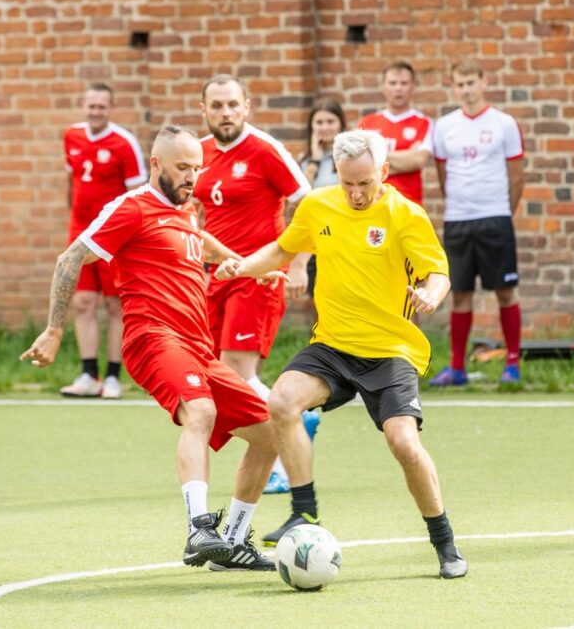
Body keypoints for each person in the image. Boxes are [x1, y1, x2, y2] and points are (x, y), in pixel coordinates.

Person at [21, 125, 280, 572]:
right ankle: (200, 528)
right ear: (156, 164)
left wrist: (240, 265)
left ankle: (232, 543)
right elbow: (69, 259)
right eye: (182, 168)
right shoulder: (131, 208)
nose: (191, 178)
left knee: (271, 432)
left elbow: (201, 241)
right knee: (200, 412)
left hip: (198, 346)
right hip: (153, 337)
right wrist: (53, 330)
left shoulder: (187, 211)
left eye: (196, 169)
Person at [218, 129, 468, 579]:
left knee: (404, 444)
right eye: (348, 182)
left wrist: (430, 295)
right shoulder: (317, 206)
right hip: (332, 346)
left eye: (365, 183)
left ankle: (445, 543)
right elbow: (282, 249)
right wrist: (243, 265)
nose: (355, 193)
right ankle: (305, 511)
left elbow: (437, 273)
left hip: (390, 352)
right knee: (281, 402)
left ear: (384, 173)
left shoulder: (405, 215)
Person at [194, 74, 318, 496]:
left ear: (246, 106)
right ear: (204, 110)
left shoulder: (266, 150)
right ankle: (294, 421)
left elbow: (310, 207)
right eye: (217, 106)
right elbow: (191, 214)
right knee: (212, 373)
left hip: (259, 275)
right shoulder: (200, 153)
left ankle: (283, 452)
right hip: (215, 279)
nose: (226, 113)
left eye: (233, 104)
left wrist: (299, 264)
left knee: (236, 370)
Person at [429, 59, 526, 386]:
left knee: (505, 292)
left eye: (472, 82)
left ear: (483, 82)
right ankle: (457, 368)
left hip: (495, 219)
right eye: (460, 84)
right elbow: (443, 176)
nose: (467, 90)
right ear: (453, 87)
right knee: (460, 295)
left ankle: (512, 364)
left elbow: (517, 176)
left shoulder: (504, 124)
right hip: (458, 220)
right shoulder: (443, 127)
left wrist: (502, 210)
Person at [59, 83, 147, 399]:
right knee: (82, 302)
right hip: (80, 232)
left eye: (102, 106)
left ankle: (112, 376)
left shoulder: (125, 143)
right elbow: (71, 182)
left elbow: (138, 195)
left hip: (113, 239)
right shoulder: (71, 136)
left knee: (114, 305)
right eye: (91, 106)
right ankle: (88, 374)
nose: (96, 112)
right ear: (83, 106)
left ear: (111, 108)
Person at [357, 61, 433, 206]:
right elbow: (360, 165)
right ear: (383, 87)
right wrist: (405, 157)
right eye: (392, 83)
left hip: (409, 204)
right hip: (373, 204)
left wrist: (375, 157)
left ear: (413, 87)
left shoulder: (424, 123)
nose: (398, 88)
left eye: (404, 83)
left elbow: (417, 160)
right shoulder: (366, 123)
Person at [299, 99, 347, 296]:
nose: (324, 127)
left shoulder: (348, 156)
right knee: (317, 294)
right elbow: (301, 197)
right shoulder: (305, 159)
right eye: (319, 122)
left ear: (341, 124)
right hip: (316, 236)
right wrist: (316, 160)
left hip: (344, 235)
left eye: (330, 121)